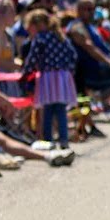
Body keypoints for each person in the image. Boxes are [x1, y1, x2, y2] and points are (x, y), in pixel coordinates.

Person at [20, 9, 79, 150]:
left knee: (48, 110)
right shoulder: (60, 36)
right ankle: (63, 139)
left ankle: (48, 140)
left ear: (37, 24)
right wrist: (68, 70)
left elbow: (32, 58)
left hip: (48, 77)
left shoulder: (40, 38)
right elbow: (73, 55)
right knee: (60, 109)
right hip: (63, 77)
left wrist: (25, 73)